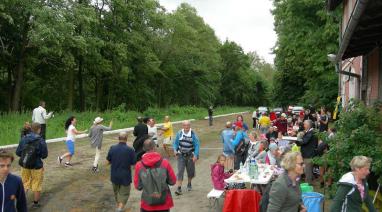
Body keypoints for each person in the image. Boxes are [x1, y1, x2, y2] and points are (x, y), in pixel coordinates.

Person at [134, 139, 176, 212]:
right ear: (154, 147)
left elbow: (138, 186)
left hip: (147, 204)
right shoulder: (165, 163)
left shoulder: (139, 165)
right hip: (164, 203)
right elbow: (173, 181)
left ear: (143, 149)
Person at [15, 122, 48, 209]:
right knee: (36, 183)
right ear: (39, 129)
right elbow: (44, 155)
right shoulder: (41, 140)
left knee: (25, 183)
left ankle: (19, 202)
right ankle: (35, 203)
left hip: (25, 165)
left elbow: (18, 152)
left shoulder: (24, 138)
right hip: (37, 166)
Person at [107, 132, 136, 212]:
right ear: (126, 139)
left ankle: (119, 206)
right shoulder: (130, 150)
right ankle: (119, 208)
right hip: (125, 176)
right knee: (124, 193)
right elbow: (133, 163)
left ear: (118, 138)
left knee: (116, 192)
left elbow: (108, 160)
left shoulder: (112, 148)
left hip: (114, 175)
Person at [173, 120, 200, 195]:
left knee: (190, 171)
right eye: (185, 125)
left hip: (190, 155)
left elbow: (197, 145)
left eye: (188, 125)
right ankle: (179, 188)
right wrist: (175, 150)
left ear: (190, 126)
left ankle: (189, 183)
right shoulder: (179, 133)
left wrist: (195, 155)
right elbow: (175, 143)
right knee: (180, 171)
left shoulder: (193, 134)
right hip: (181, 155)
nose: (186, 127)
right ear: (183, 126)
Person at [295, 120, 318, 184]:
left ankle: (308, 185)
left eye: (304, 124)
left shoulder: (311, 132)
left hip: (308, 155)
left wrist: (296, 141)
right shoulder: (310, 132)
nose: (304, 126)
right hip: (309, 154)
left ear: (308, 125)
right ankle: (311, 182)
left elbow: (304, 141)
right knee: (308, 170)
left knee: (307, 171)